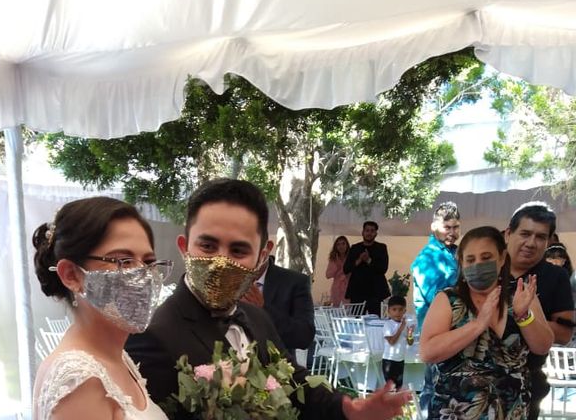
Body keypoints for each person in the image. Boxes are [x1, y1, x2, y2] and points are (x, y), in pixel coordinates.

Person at [125, 179, 410, 420]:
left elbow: (292, 379)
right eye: (208, 246)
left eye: (238, 250)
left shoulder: (257, 315)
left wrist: (350, 408)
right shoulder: (152, 336)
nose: (221, 261)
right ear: (185, 247)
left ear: (262, 257)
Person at [31, 197, 172, 420]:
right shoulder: (80, 379)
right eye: (124, 261)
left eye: (148, 261)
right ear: (71, 275)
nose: (142, 275)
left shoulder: (115, 355)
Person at [420, 226, 554, 419]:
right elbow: (428, 352)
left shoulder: (521, 294)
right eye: (471, 259)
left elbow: (542, 346)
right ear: (462, 263)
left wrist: (523, 316)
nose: (478, 265)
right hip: (456, 412)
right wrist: (477, 325)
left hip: (512, 411)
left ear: (501, 258)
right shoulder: (448, 299)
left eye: (486, 258)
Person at [506, 202, 575, 420]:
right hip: (472, 383)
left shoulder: (556, 276)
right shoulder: (487, 268)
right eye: (525, 233)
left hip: (527, 383)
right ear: (509, 233)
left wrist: (521, 316)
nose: (531, 243)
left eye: (540, 237)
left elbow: (565, 334)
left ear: (548, 240)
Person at [410, 201, 460, 415]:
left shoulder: (455, 252)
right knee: (434, 388)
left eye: (456, 227)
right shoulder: (427, 258)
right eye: (447, 227)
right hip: (437, 333)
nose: (452, 232)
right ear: (434, 227)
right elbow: (439, 297)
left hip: (455, 330)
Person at [343, 221, 390, 316]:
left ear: (376, 233)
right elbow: (346, 269)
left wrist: (369, 260)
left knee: (376, 320)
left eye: (372, 231)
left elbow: (383, 269)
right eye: (367, 230)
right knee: (357, 320)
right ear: (362, 232)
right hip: (357, 291)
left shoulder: (381, 248)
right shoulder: (355, 248)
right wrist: (359, 260)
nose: (369, 233)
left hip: (375, 291)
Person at [382, 296, 413, 390]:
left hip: (400, 359)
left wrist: (410, 334)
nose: (397, 312)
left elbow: (410, 342)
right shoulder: (387, 324)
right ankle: (388, 403)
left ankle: (396, 403)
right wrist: (401, 328)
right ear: (389, 311)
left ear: (404, 311)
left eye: (400, 310)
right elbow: (391, 342)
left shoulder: (405, 324)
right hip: (389, 360)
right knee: (391, 387)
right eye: (394, 309)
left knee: (399, 385)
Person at [326, 235, 351, 306]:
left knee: (349, 310)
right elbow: (328, 275)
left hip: (349, 287)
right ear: (336, 247)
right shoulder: (333, 259)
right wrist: (337, 267)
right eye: (338, 244)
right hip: (337, 288)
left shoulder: (351, 258)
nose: (341, 246)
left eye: (343, 243)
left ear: (347, 245)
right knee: (337, 311)